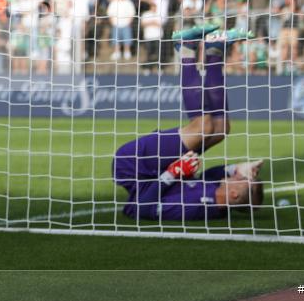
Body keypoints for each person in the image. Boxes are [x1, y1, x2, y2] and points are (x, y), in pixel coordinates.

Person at [113, 25, 264, 220]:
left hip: (132, 164)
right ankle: (214, 51)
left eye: (243, 180)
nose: (243, 177)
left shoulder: (196, 207)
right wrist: (234, 169)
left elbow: (139, 210)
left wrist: (173, 173)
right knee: (221, 129)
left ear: (234, 194)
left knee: (203, 127)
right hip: (153, 170)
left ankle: (186, 48)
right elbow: (205, 177)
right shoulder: (216, 199)